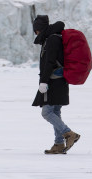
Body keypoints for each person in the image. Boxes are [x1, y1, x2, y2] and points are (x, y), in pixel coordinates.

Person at [32, 14, 81, 154]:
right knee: (55, 112)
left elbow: (49, 62)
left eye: (36, 30)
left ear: (39, 29)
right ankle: (59, 144)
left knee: (46, 113)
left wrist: (43, 82)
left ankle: (69, 134)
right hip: (60, 80)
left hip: (53, 81)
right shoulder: (54, 37)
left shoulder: (52, 39)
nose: (35, 33)